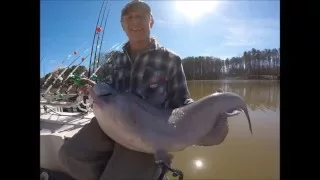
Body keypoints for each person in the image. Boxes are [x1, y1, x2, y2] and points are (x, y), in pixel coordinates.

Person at [58, 1, 194, 180]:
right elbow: (109, 90)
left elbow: (183, 101)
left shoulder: (170, 59)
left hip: (147, 134)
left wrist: (204, 115)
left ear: (151, 21)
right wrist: (91, 87)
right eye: (129, 18)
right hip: (111, 124)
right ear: (123, 25)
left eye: (140, 17)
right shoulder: (116, 60)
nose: (134, 22)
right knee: (69, 155)